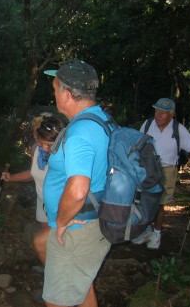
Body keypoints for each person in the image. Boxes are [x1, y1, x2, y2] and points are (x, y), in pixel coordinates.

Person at [43, 59, 111, 307]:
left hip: (75, 230)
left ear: (67, 93)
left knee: (57, 301)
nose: (54, 94)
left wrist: (61, 222)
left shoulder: (80, 132)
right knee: (82, 290)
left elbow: (79, 189)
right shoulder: (99, 119)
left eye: (54, 88)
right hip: (93, 224)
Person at [132, 98, 190, 250]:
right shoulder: (147, 124)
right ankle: (145, 231)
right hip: (148, 168)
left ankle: (157, 234)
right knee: (143, 201)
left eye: (163, 112)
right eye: (157, 111)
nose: (158, 115)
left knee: (159, 204)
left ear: (172, 114)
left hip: (167, 170)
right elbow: (137, 145)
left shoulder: (179, 130)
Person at [1, 114, 66, 264]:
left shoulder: (59, 153)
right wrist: (11, 178)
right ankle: (52, 273)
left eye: (41, 136)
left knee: (55, 241)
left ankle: (62, 275)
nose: (37, 139)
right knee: (47, 242)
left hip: (58, 204)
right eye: (36, 134)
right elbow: (32, 173)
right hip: (42, 201)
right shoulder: (36, 149)